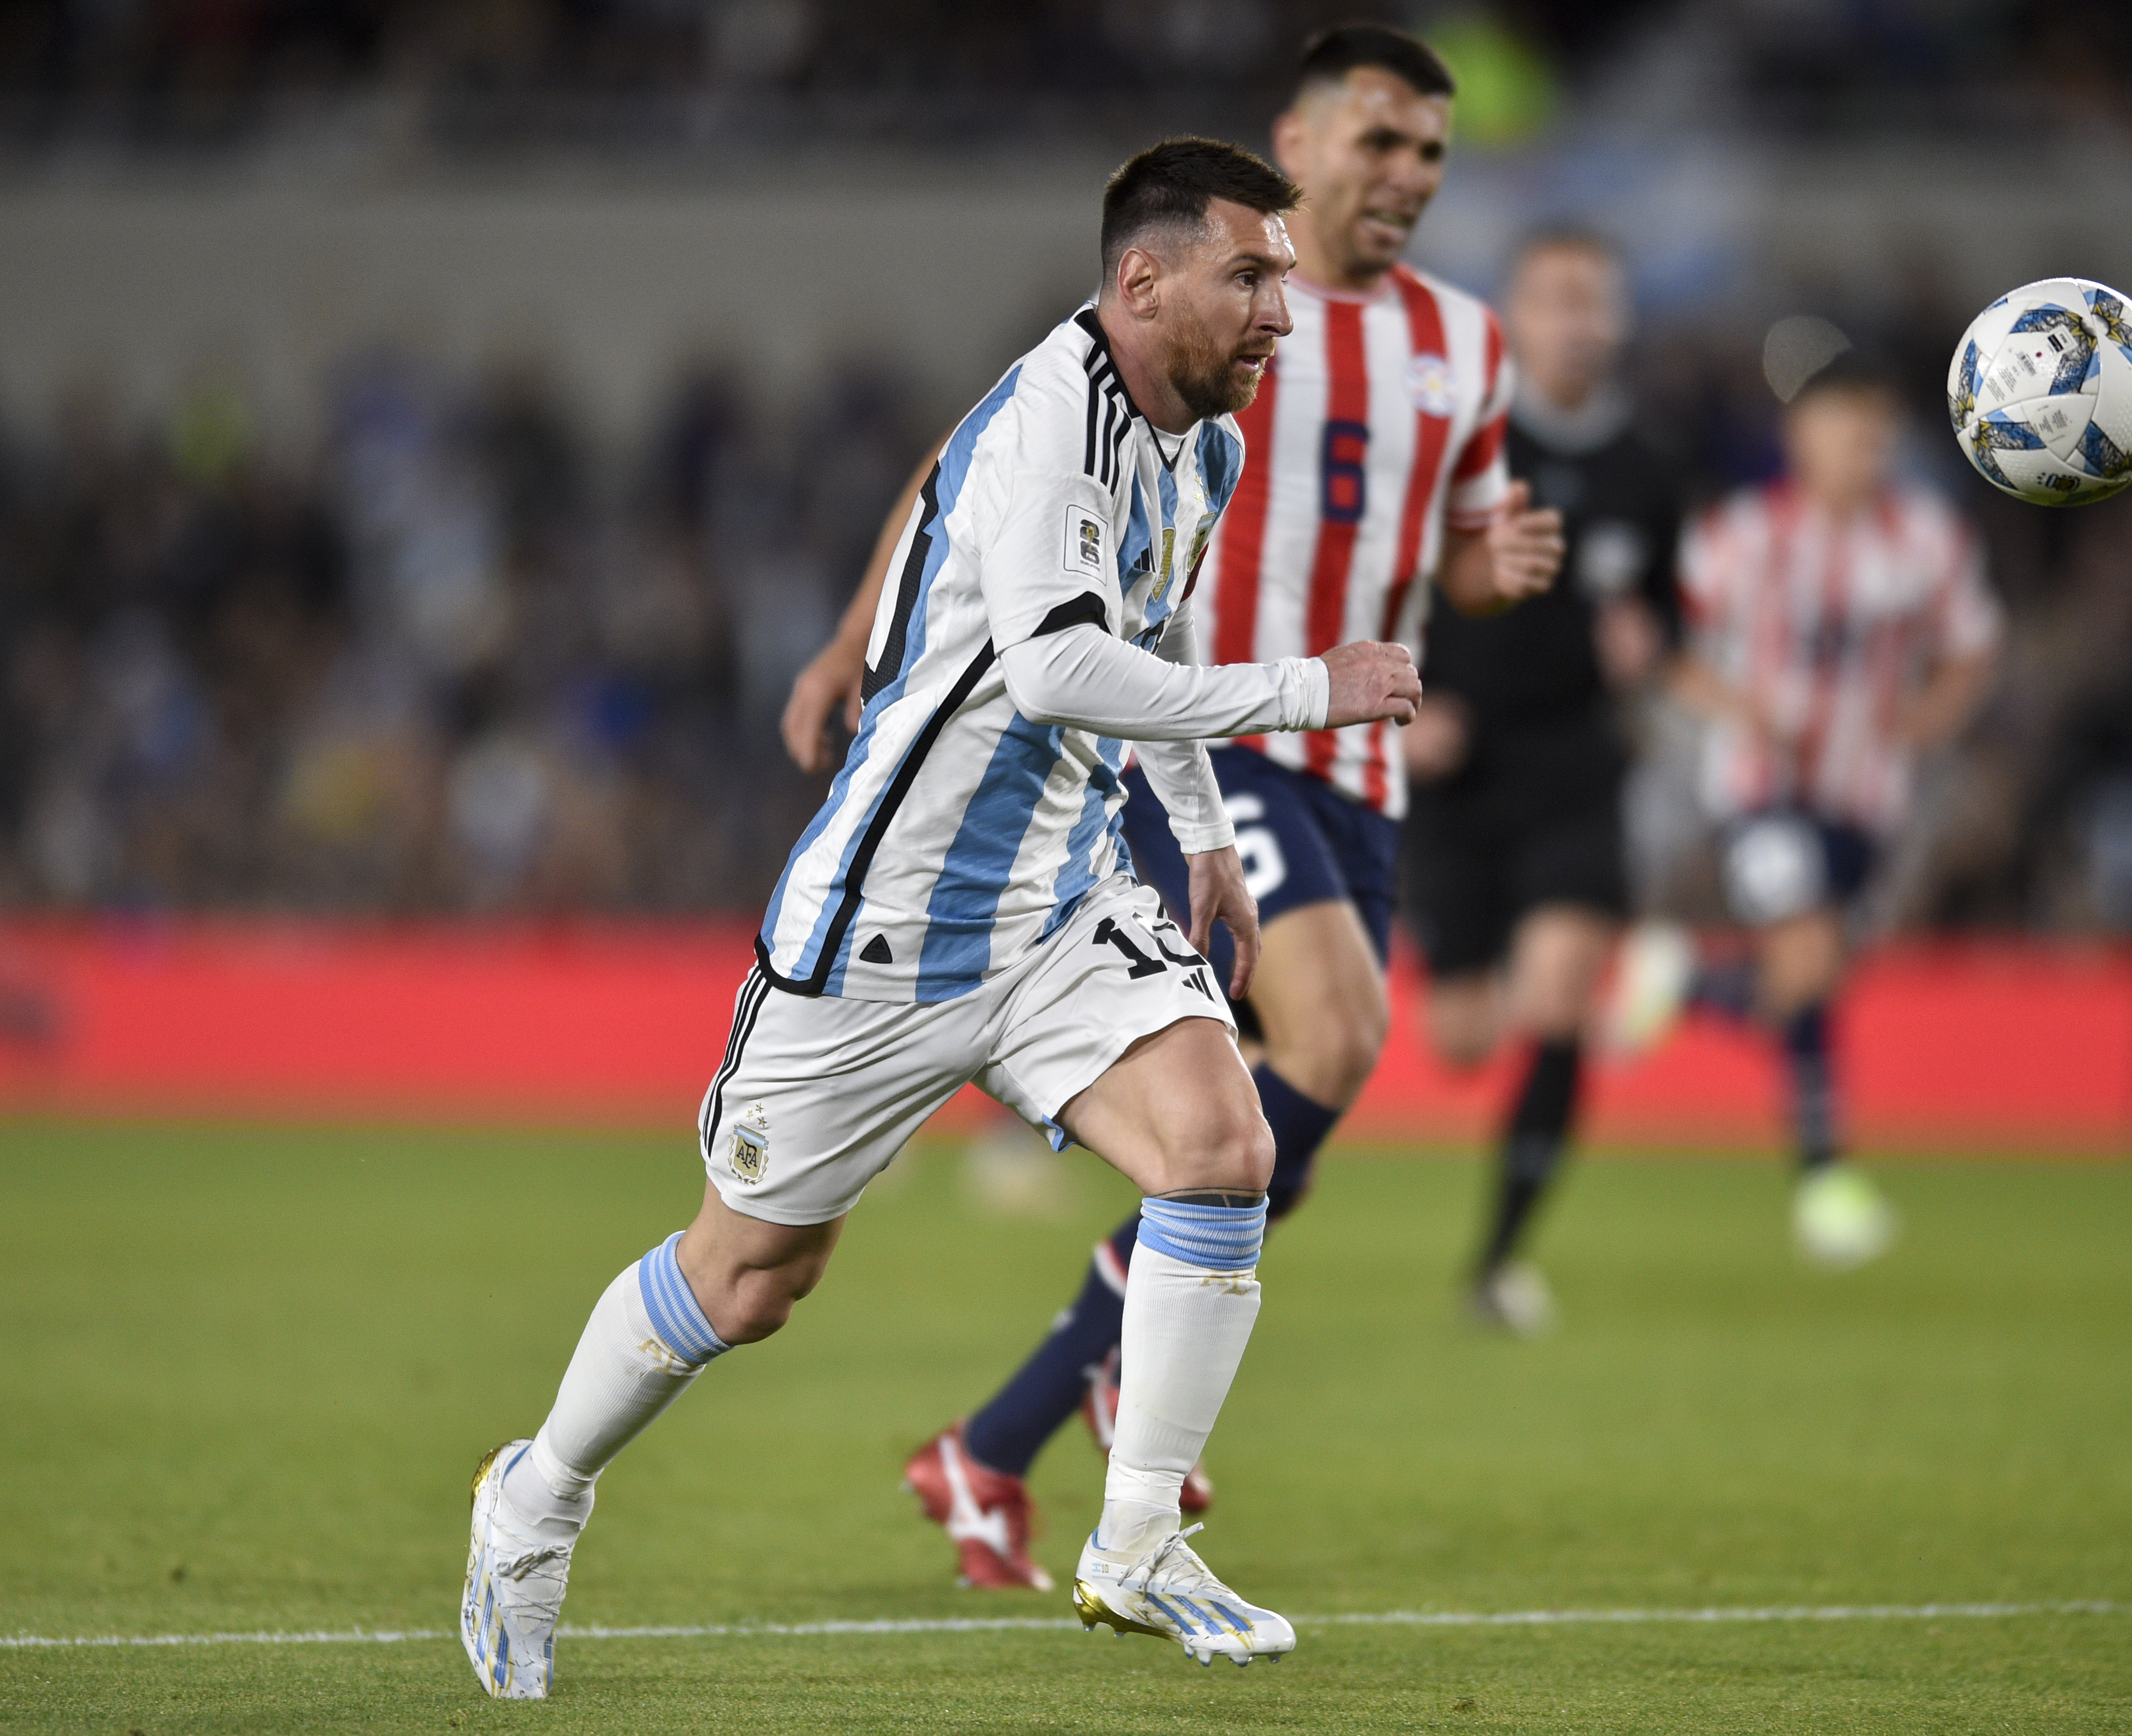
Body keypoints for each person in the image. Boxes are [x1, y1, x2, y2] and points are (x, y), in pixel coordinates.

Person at [460, 137, 1432, 1697]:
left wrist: (1198, 837)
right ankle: (535, 1493)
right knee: (751, 1278)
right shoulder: (1053, 427)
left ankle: (1132, 1538)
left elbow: (1152, 626)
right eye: (1251, 276)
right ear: (1143, 279)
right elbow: (1054, 666)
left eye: (1285, 283)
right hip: (887, 927)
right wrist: (1315, 687)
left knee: (1223, 1141)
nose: (1281, 313)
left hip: (1057, 907)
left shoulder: (1202, 441)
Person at [791, 24, 1563, 1592]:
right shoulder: (1213, 311)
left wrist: (1502, 566)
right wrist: (849, 627)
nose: (1406, 176)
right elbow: (975, 462)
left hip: (1360, 770)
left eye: (1432, 153)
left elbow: (1461, 544)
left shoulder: (1470, 348)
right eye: (1379, 142)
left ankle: (1003, 1432)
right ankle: (1117, 1362)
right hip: (1205, 728)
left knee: (1279, 1125)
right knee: (1334, 1037)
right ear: (1304, 137)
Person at [1397, 229, 1686, 1332]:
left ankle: (1498, 1264)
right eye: (1554, 299)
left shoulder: (1650, 472)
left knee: (1552, 997)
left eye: (1592, 301)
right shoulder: (1454, 447)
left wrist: (1646, 655)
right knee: (1462, 1039)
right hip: (1460, 771)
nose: (1576, 321)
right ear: (1512, 314)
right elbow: (1377, 582)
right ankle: (1669, 995)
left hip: (1575, 766)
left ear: (1615, 320)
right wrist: (1406, 696)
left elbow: (1668, 620)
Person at [1663, 345, 2000, 1267]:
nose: (1865, 439)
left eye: (1878, 424)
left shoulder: (1927, 538)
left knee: (1801, 979)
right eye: (1847, 421)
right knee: (1807, 950)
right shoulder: (1743, 535)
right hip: (1760, 793)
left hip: (1869, 802)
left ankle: (1685, 981)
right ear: (1800, 434)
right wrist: (1738, 708)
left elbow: (1973, 646)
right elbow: (1664, 640)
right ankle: (1826, 1181)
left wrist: (1934, 712)